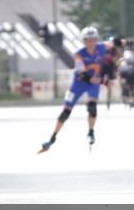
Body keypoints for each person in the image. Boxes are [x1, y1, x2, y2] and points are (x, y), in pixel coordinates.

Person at [39, 25, 106, 153]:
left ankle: (91, 132)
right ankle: (52, 137)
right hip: (79, 83)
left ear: (96, 40)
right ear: (83, 41)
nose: (90, 42)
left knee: (92, 107)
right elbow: (82, 74)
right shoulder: (79, 54)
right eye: (87, 40)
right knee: (66, 112)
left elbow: (113, 47)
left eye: (93, 39)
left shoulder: (101, 49)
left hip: (93, 83)